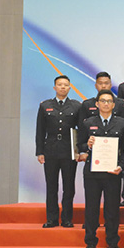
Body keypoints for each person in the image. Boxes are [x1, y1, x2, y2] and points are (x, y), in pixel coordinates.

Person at [77, 91, 124, 248]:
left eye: (109, 101)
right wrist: (88, 144)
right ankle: (90, 242)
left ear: (114, 105)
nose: (106, 104)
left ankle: (112, 242)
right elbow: (80, 146)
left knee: (112, 209)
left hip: (113, 173)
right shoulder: (87, 123)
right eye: (103, 101)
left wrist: (121, 166)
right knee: (92, 208)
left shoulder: (122, 123)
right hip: (92, 172)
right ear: (97, 104)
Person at [35, 75, 81, 228]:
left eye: (66, 85)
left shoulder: (76, 106)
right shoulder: (45, 106)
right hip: (51, 150)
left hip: (69, 151)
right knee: (51, 186)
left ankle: (67, 218)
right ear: (54, 87)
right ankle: (52, 218)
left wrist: (80, 151)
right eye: (60, 85)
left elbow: (80, 130)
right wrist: (40, 151)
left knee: (69, 186)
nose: (62, 87)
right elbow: (40, 131)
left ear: (70, 88)